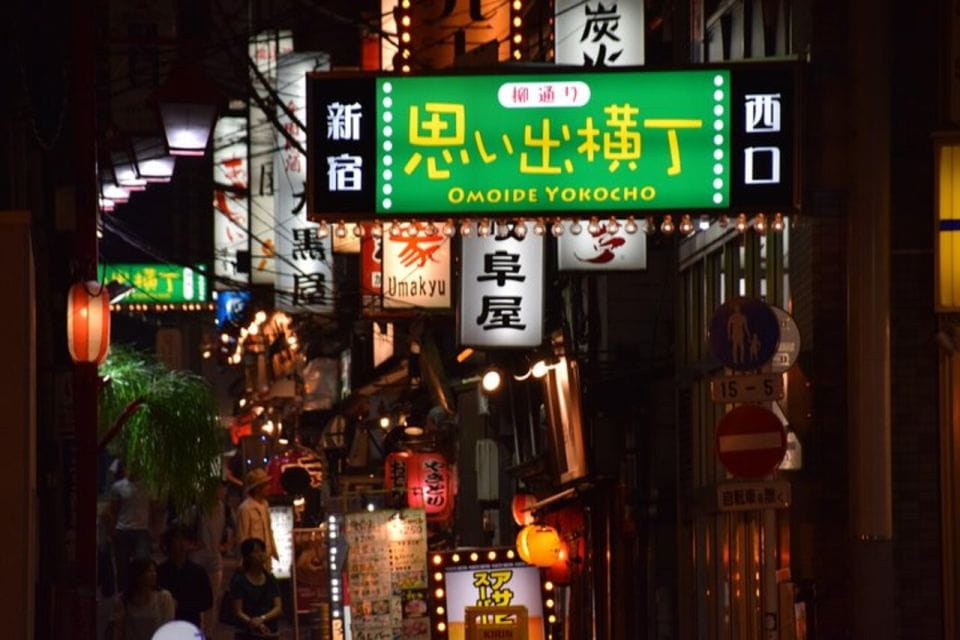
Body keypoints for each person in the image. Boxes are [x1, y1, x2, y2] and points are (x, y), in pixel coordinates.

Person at [190, 481, 234, 637]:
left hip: (215, 557)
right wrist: (192, 544)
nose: (223, 492)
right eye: (220, 488)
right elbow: (182, 524)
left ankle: (208, 632)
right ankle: (198, 630)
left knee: (213, 598)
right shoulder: (199, 509)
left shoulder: (225, 508)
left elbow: (233, 528)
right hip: (198, 556)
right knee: (197, 596)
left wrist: (226, 545)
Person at [108, 464, 153, 592]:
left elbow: (152, 508)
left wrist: (153, 528)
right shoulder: (118, 486)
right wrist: (112, 530)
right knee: (122, 567)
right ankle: (123, 595)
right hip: (122, 530)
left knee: (142, 563)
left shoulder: (148, 485)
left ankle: (141, 593)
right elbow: (113, 510)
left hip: (141, 530)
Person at [157, 526, 213, 627]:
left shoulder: (198, 571)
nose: (181, 544)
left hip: (190, 622)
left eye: (184, 540)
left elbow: (207, 601)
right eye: (177, 539)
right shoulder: (160, 571)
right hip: (166, 623)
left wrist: (182, 606)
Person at [228, 537, 282, 639]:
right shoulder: (240, 581)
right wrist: (253, 622)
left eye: (262, 550)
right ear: (247, 556)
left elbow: (278, 607)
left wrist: (262, 618)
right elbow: (238, 611)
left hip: (270, 631)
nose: (261, 554)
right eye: (256, 551)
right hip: (247, 633)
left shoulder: (270, 579)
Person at [111, 556, 175, 640]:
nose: (153, 574)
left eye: (154, 571)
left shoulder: (163, 597)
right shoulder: (124, 599)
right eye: (149, 571)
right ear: (138, 575)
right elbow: (118, 630)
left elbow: (168, 627)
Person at [236, 468, 278, 572]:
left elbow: (269, 530)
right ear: (257, 489)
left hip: (266, 557)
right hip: (254, 560)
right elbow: (243, 536)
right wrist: (243, 561)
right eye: (266, 485)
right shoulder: (245, 508)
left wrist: (272, 550)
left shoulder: (265, 505)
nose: (268, 488)